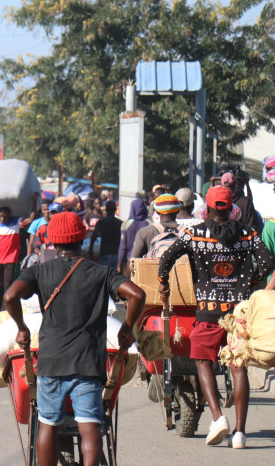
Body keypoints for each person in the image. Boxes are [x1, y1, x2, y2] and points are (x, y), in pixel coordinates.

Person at [5, 211, 145, 466]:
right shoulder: (101, 273)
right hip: (89, 363)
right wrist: (127, 327)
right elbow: (136, 294)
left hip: (51, 362)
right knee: (90, 424)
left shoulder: (40, 271)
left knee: (48, 423)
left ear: (52, 241)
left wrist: (22, 328)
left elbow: (9, 297)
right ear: (82, 238)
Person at [158, 186, 274, 449]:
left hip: (208, 313)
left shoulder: (195, 234)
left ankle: (218, 418)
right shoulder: (247, 234)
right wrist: (251, 284)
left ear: (207, 209)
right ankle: (240, 433)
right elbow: (268, 264)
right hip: (238, 314)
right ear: (231, 207)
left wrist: (163, 284)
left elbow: (166, 259)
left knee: (201, 360)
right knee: (238, 367)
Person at [130, 194, 181, 259]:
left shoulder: (144, 232)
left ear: (157, 212)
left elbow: (133, 262)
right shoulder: (188, 232)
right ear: (178, 210)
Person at [117, 198, 149, 276]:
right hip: (145, 263)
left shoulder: (126, 224)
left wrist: (119, 264)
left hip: (129, 262)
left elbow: (123, 247)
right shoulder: (149, 224)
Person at [88, 200, 122, 267]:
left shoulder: (101, 222)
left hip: (105, 253)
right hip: (116, 254)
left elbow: (94, 236)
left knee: (104, 276)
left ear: (106, 209)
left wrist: (90, 249)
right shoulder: (120, 223)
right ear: (115, 209)